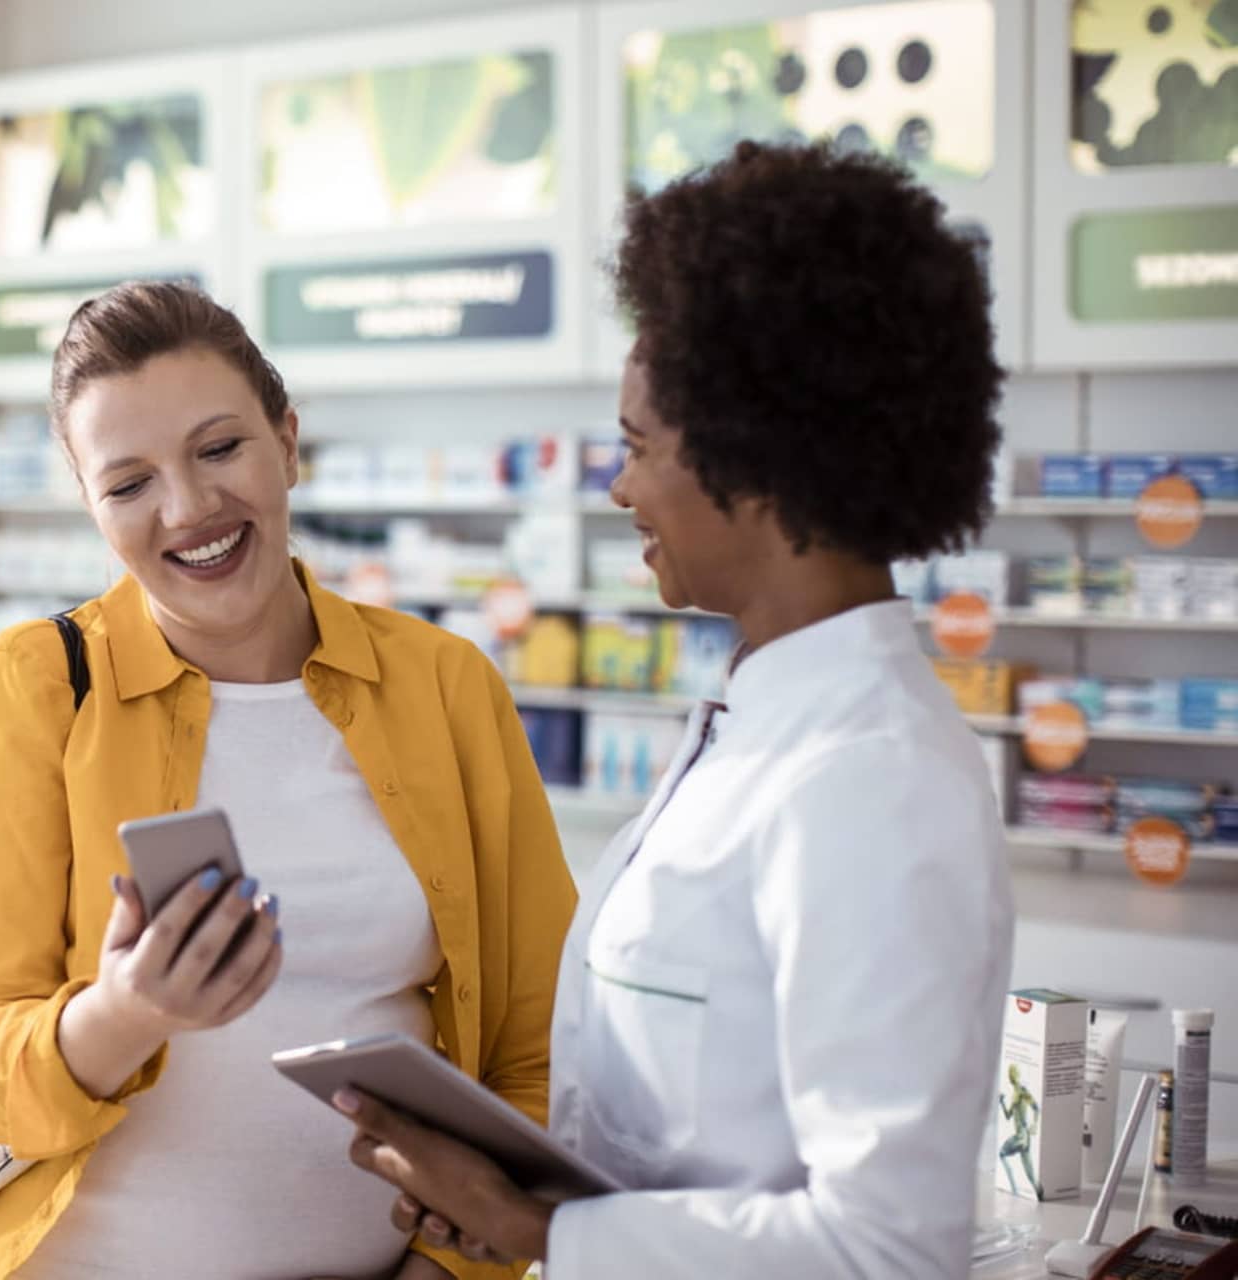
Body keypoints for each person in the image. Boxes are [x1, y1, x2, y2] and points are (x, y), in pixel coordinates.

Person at [334, 140, 1016, 1279]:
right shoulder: (762, 724)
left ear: (753, 463)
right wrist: (522, 1188)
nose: (618, 485)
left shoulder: (869, 779)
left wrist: (537, 1229)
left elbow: (886, 1249)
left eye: (637, 447)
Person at [0, 282, 577, 1279]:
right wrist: (125, 1012)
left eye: (218, 448)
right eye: (128, 481)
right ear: (90, 501)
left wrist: (448, 1272)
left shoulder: (446, 688)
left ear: (287, 441)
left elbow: (540, 1050)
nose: (186, 509)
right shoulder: (34, 686)